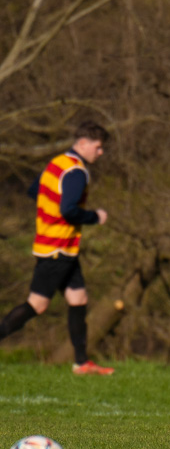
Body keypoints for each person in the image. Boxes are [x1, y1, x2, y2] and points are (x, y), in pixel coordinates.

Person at [0, 121, 113, 375]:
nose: (101, 152)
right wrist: (95, 217)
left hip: (59, 246)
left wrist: (48, 213)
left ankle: (82, 363)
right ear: (83, 143)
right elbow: (68, 210)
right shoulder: (76, 171)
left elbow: (34, 191)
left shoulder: (57, 162)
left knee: (78, 298)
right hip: (57, 249)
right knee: (37, 305)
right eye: (98, 147)